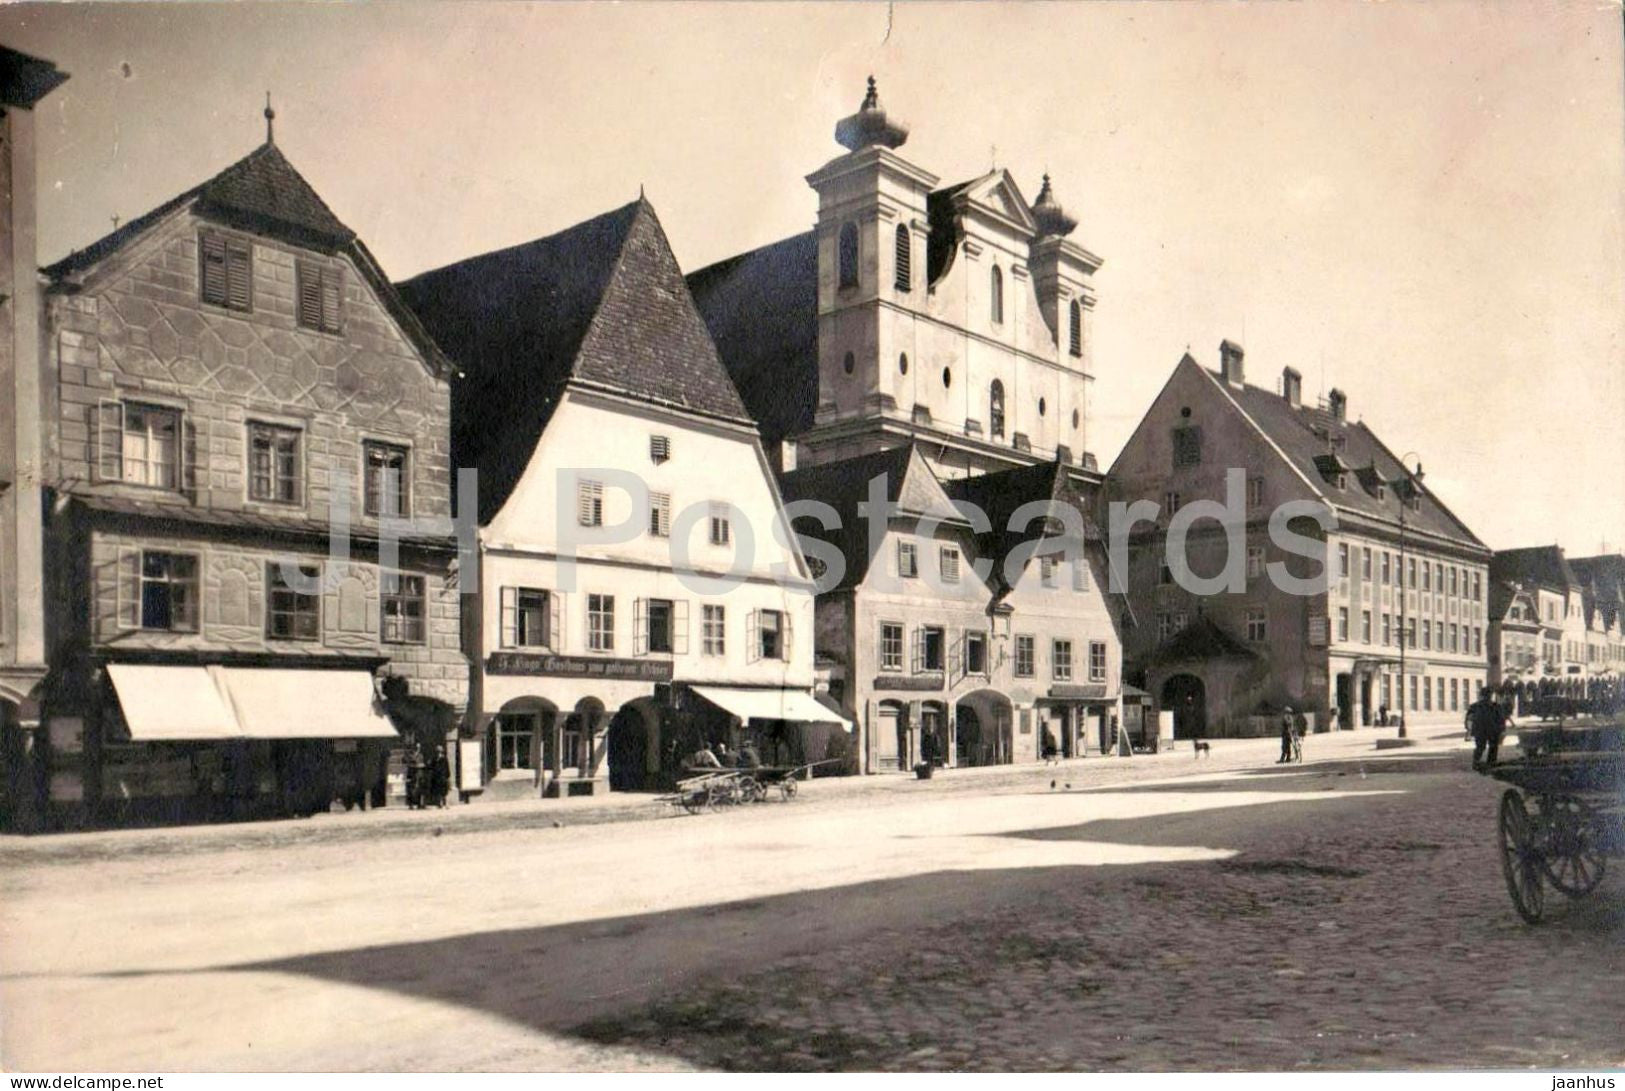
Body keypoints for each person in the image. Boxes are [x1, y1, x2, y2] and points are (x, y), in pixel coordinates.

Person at [1467, 686, 1508, 771]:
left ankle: (1476, 762)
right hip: (1492, 730)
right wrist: (1502, 730)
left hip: (1480, 731)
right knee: (1492, 747)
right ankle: (1490, 763)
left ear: (1481, 695)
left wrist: (1469, 730)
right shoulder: (1496, 706)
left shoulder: (1474, 707)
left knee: (1480, 747)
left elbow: (1469, 719)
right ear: (1491, 695)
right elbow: (1501, 719)